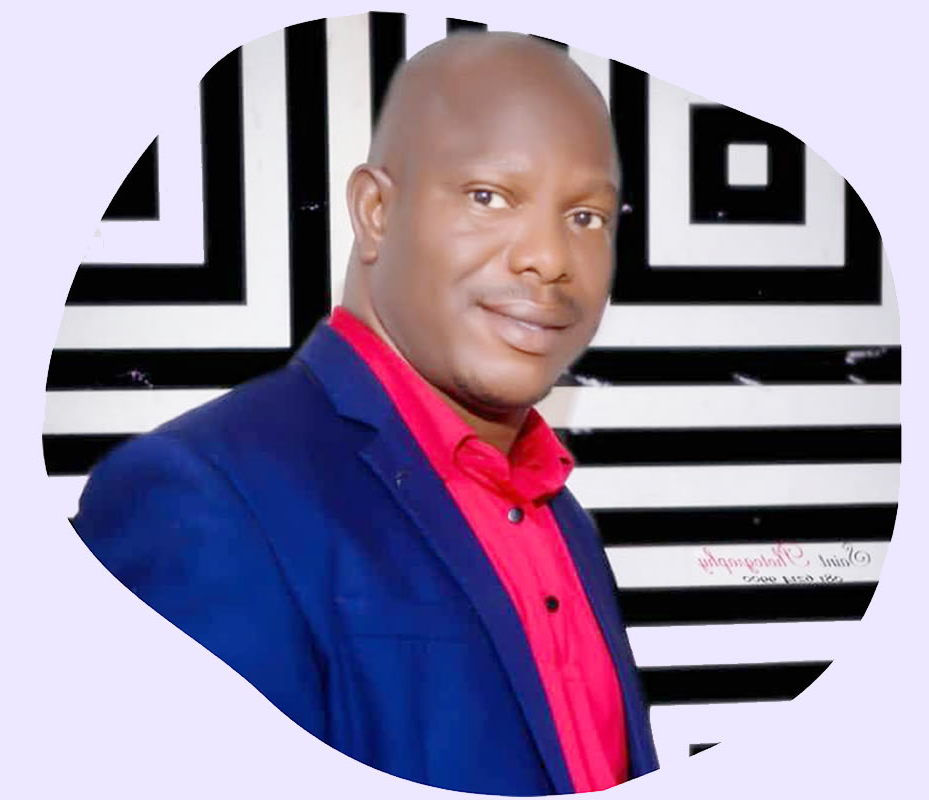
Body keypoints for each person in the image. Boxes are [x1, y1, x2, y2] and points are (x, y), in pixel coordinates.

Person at [73, 31, 659, 795]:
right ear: (376, 211)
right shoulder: (200, 496)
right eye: (488, 196)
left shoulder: (562, 517)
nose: (548, 257)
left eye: (586, 216)